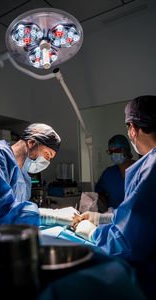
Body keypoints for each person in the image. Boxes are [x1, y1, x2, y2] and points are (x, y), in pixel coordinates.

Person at [74, 96, 156, 299]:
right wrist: (101, 217)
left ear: (133, 129)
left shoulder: (150, 168)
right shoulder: (143, 167)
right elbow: (143, 215)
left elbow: (128, 243)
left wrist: (93, 233)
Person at [95, 134, 135, 210]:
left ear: (125, 150)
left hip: (136, 217)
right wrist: (109, 208)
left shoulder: (140, 168)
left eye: (116, 151)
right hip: (115, 218)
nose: (113, 154)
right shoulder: (109, 173)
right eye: (111, 151)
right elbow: (99, 191)